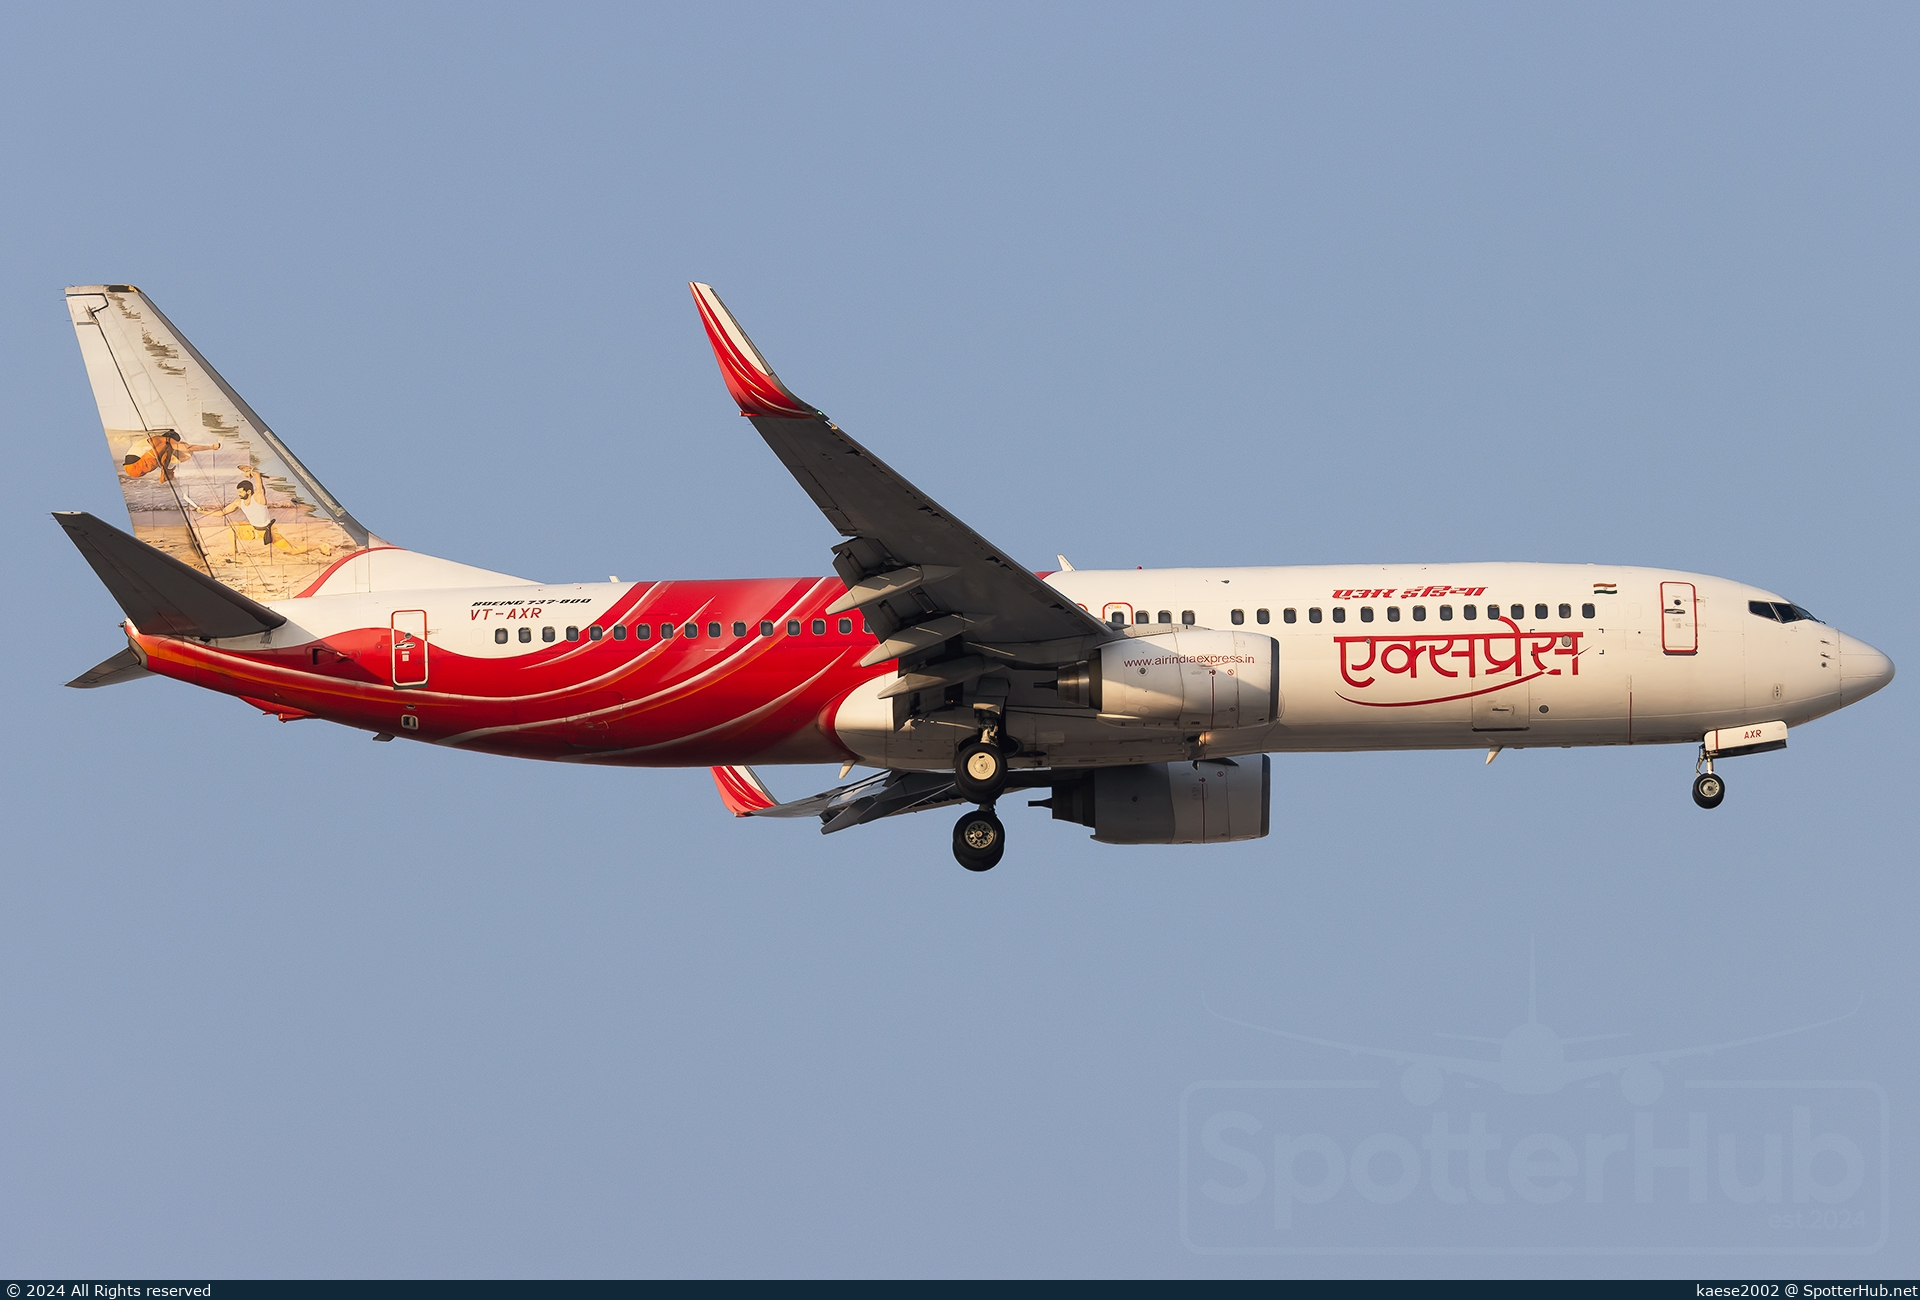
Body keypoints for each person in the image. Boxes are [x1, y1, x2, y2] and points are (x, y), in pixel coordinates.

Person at [199, 466, 331, 558]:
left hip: (268, 530)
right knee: (231, 528)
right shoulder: (238, 502)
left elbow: (259, 482)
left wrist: (253, 473)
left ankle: (319, 545)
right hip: (253, 529)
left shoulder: (259, 497)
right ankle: (234, 552)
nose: (238, 494)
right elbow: (222, 513)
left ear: (248, 492)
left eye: (241, 492)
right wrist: (203, 512)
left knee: (293, 550)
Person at [121, 430, 219, 481]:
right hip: (135, 467)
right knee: (167, 446)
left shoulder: (156, 440)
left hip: (132, 469)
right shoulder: (165, 440)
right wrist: (211, 447)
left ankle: (165, 471)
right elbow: (188, 448)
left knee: (165, 450)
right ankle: (164, 472)